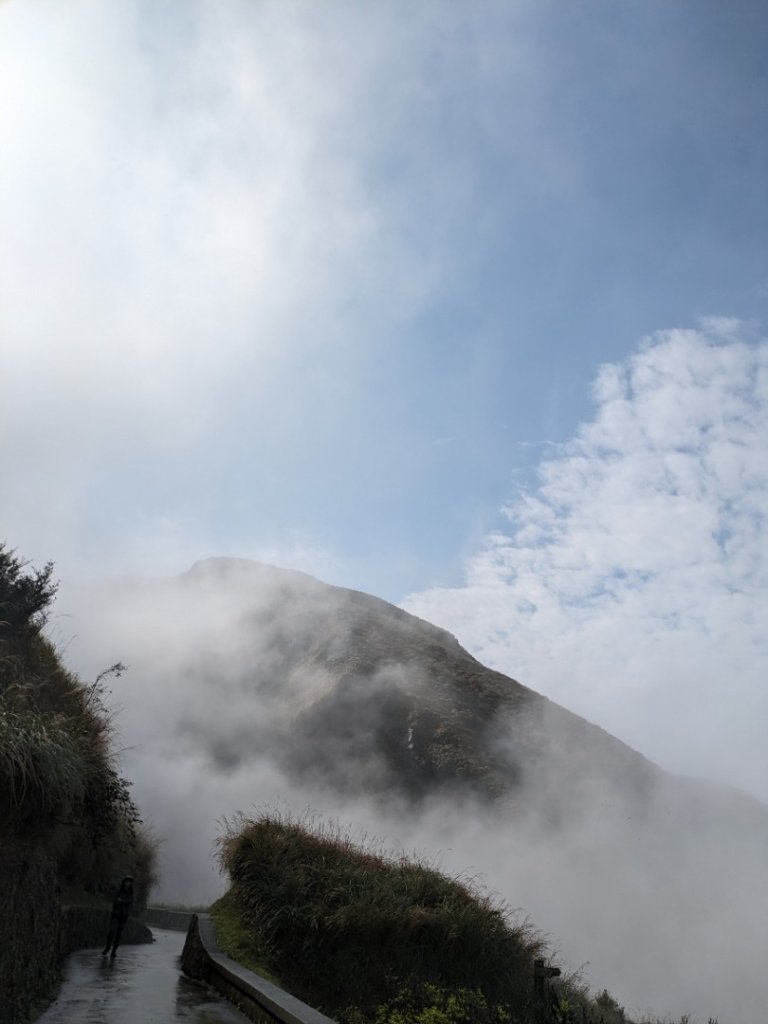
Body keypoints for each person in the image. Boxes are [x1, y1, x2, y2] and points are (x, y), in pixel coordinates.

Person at [101, 876, 134, 957]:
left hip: (124, 916)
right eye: (126, 881)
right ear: (123, 882)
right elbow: (115, 900)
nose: (128, 883)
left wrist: (121, 901)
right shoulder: (118, 891)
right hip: (116, 914)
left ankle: (114, 951)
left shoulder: (131, 893)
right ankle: (107, 948)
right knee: (111, 931)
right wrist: (123, 902)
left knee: (118, 934)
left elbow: (130, 903)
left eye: (129, 882)